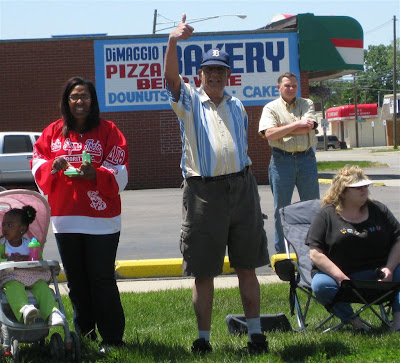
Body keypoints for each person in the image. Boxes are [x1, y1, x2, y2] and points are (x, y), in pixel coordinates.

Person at [164, 14, 269, 355]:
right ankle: (203, 339)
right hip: (203, 193)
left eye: (220, 70)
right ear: (201, 75)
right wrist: (172, 42)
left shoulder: (238, 105)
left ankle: (255, 335)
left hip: (242, 189)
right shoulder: (190, 101)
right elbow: (171, 80)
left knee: (247, 265)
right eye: (209, 70)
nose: (214, 75)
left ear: (228, 75)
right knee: (203, 269)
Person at [31, 77, 128, 350]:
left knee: (102, 279)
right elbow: (38, 165)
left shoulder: (109, 131)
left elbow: (120, 173)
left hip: (102, 222)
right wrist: (54, 165)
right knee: (76, 283)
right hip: (66, 220)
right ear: (67, 101)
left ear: (93, 101)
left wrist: (94, 174)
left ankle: (113, 339)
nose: (79, 101)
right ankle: (85, 336)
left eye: (84, 96)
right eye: (74, 96)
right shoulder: (52, 132)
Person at [306, 164, 400, 332]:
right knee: (321, 285)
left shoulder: (378, 210)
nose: (365, 190)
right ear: (343, 191)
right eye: (358, 187)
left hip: (379, 273)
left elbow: (398, 239)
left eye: (366, 186)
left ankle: (398, 323)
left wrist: (390, 268)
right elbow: (315, 253)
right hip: (341, 276)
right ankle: (355, 322)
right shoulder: (327, 215)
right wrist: (341, 278)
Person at [258, 72, 320, 253]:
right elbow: (268, 134)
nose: (291, 88)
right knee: (281, 209)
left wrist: (281, 130)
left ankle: (313, 252)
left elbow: (308, 127)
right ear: (279, 87)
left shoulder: (306, 103)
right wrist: (295, 125)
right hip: (281, 160)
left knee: (312, 207)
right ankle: (281, 254)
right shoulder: (271, 108)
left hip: (306, 159)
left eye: (294, 85)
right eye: (287, 85)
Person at [0, 206, 65, 326]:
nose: (4, 229)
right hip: (11, 277)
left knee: (43, 288)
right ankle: (24, 310)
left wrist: (29, 259)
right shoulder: (2, 245)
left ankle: (52, 313)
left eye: (9, 225)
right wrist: (8, 259)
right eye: (3, 225)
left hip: (32, 276)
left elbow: (38, 261)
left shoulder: (31, 244)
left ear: (22, 229)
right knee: (13, 287)